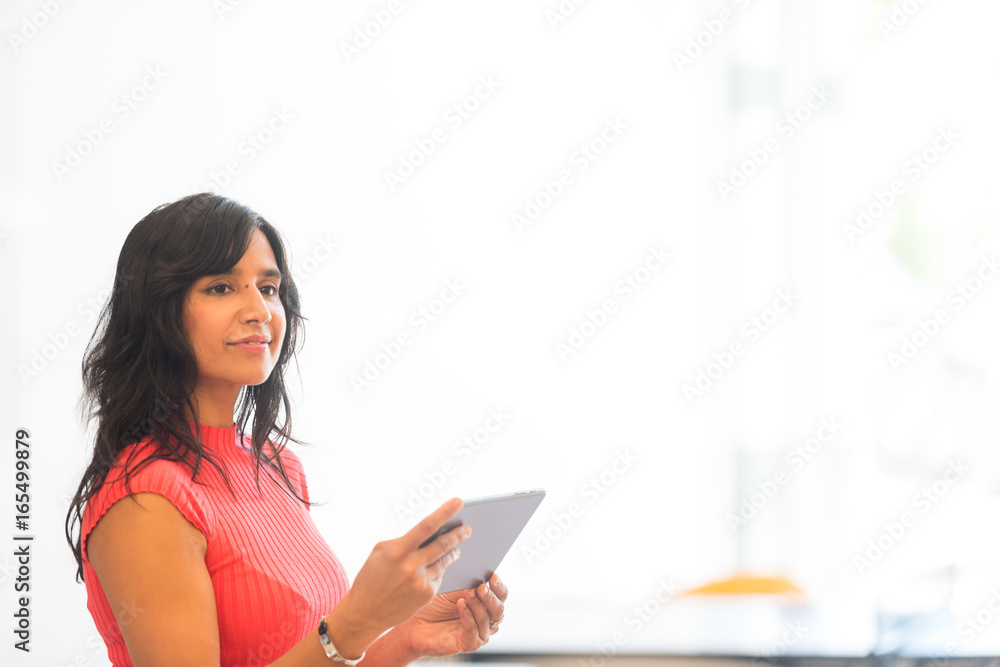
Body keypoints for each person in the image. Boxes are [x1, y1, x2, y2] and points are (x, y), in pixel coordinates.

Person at [64, 192, 507, 666]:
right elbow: (335, 642)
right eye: (221, 287)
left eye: (269, 287)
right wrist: (355, 623)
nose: (260, 310)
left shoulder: (278, 467)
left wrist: (406, 639)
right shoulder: (144, 497)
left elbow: (319, 656)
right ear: (158, 310)